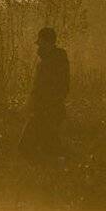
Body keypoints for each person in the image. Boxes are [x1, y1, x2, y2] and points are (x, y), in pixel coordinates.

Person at [19, 27, 69, 161]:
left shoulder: (54, 61)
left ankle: (57, 172)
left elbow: (59, 88)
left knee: (30, 147)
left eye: (40, 42)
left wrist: (41, 106)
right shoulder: (48, 60)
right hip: (43, 111)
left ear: (48, 42)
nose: (38, 46)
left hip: (48, 111)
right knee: (48, 147)